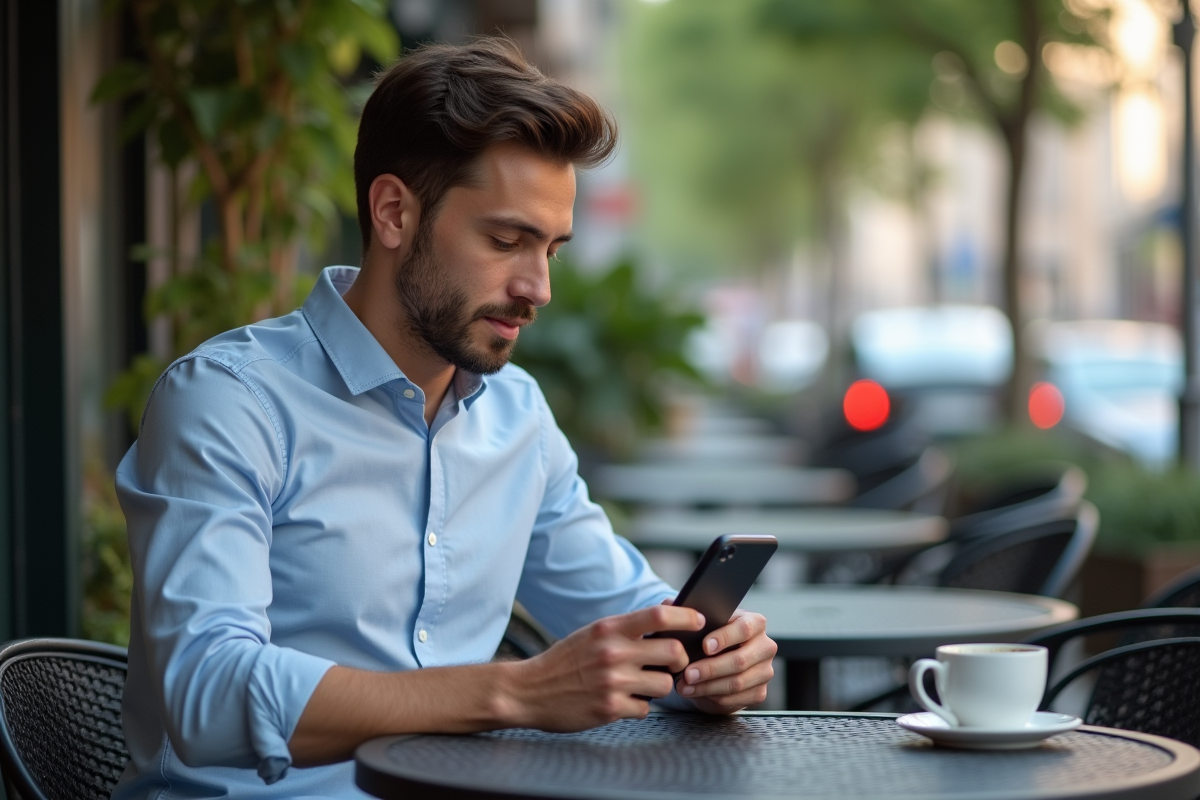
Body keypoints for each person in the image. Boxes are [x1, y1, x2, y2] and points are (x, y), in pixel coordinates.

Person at [112, 37, 777, 800]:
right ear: (394, 212)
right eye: (506, 241)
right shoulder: (229, 402)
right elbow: (206, 691)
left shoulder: (517, 416)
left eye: (552, 250)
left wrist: (708, 659)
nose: (538, 288)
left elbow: (628, 615)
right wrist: (513, 693)